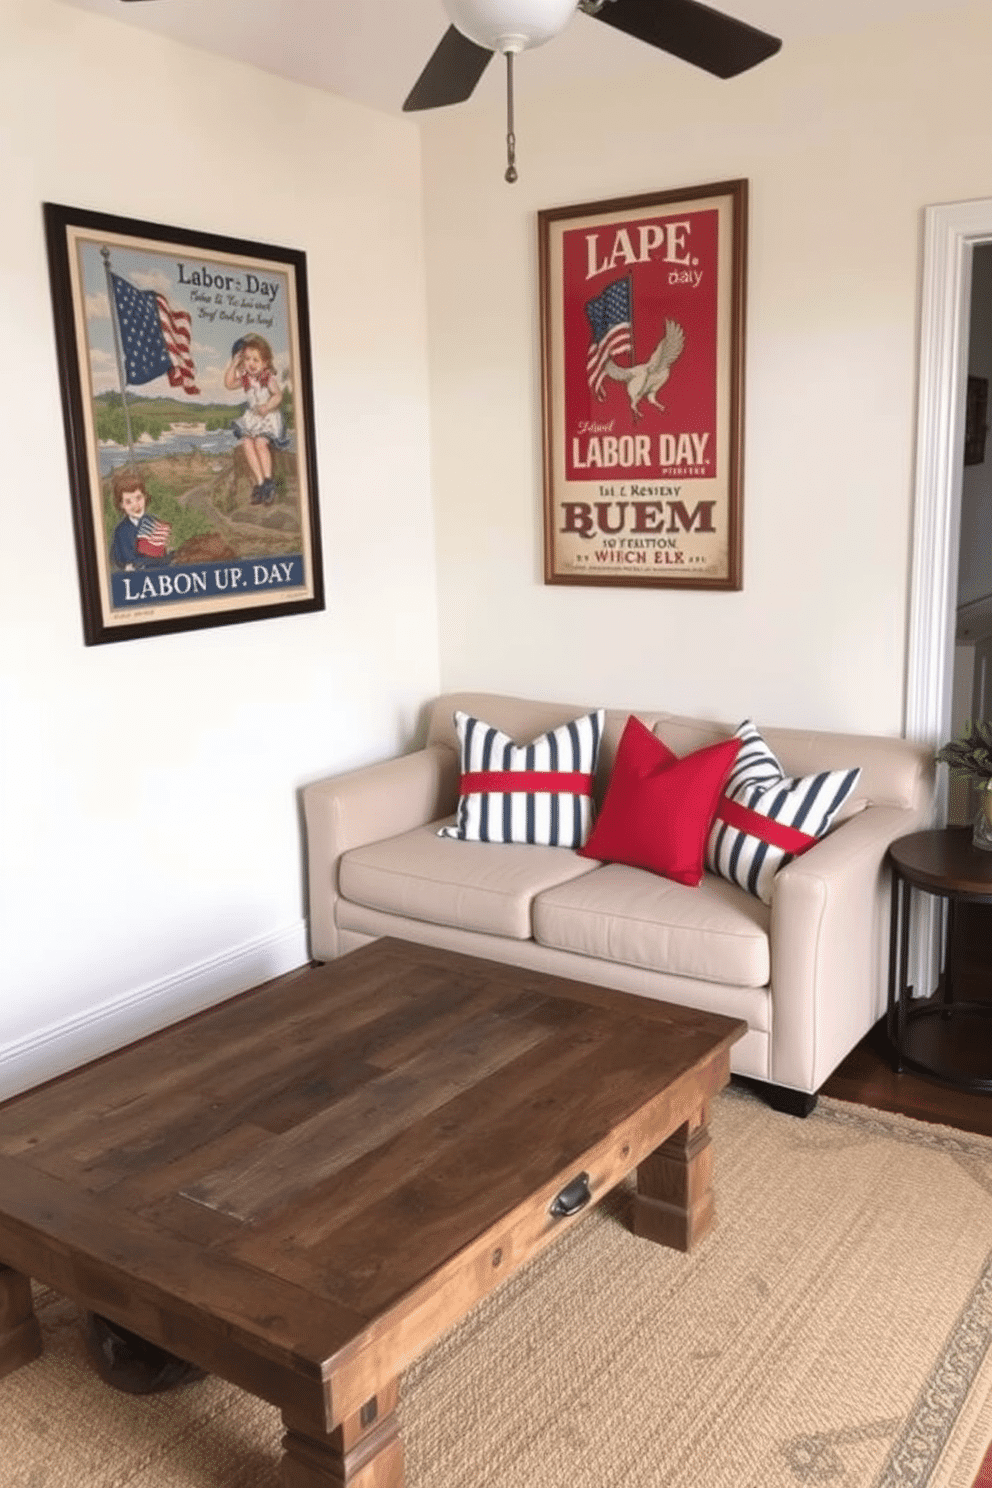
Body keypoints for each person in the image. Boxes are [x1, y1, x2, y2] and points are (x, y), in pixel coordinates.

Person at [223, 333, 286, 504]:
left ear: (265, 363)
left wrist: (268, 406)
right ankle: (259, 483)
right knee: (247, 442)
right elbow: (228, 384)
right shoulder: (245, 379)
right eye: (247, 359)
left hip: (267, 417)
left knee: (260, 443)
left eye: (255, 360)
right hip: (252, 418)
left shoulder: (267, 378)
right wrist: (234, 364)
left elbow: (278, 395)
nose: (250, 364)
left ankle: (268, 481)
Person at [109, 468, 171, 570]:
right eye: (128, 502)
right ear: (121, 505)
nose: (136, 505)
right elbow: (129, 561)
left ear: (145, 497)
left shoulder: (153, 522)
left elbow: (161, 553)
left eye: (138, 498)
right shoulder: (121, 531)